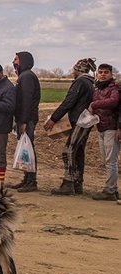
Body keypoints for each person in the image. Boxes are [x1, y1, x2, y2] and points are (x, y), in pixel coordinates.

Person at [45, 58, 96, 195]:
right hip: (86, 121)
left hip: (80, 121)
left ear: (78, 70)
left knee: (68, 151)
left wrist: (54, 119)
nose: (73, 72)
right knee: (78, 152)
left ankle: (68, 183)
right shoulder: (91, 83)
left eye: (74, 69)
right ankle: (78, 184)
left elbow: (69, 102)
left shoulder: (80, 82)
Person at [88, 64, 119, 201]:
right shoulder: (97, 88)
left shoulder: (114, 88)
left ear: (111, 74)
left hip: (112, 128)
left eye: (106, 72)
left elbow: (113, 102)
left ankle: (110, 191)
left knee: (110, 161)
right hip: (101, 127)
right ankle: (112, 188)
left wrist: (94, 105)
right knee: (106, 160)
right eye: (100, 72)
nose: (103, 74)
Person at [11, 51, 41, 192]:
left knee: (28, 149)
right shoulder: (23, 76)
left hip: (27, 119)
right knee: (25, 149)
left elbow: (27, 100)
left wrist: (23, 120)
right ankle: (26, 179)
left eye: (16, 59)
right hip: (24, 118)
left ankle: (32, 181)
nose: (14, 61)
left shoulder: (27, 76)